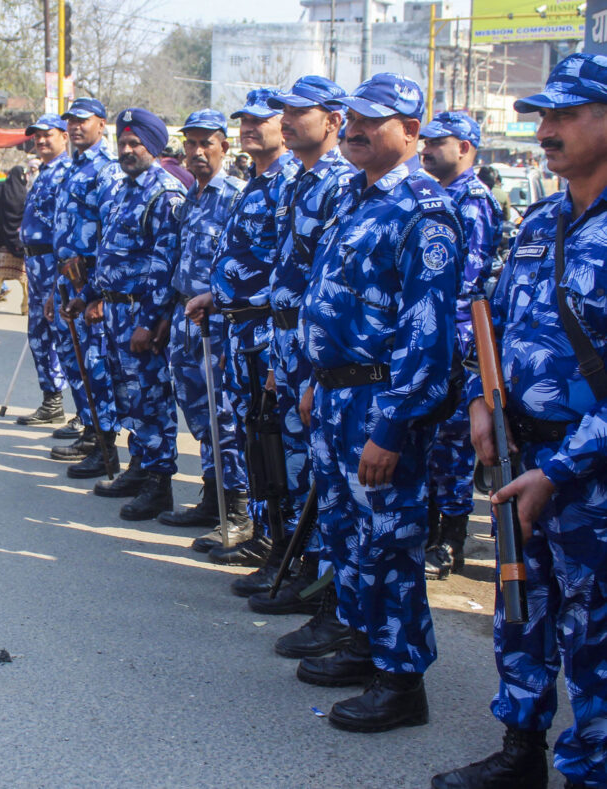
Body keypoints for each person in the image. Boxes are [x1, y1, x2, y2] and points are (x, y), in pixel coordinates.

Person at [431, 53, 607, 789]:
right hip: (517, 458)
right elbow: (490, 325)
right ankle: (518, 753)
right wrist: (478, 401)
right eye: (543, 116)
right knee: (520, 610)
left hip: (587, 476)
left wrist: (559, 469)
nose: (546, 130)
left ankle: (589, 771)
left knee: (595, 635)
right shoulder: (540, 219)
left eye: (566, 114)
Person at [294, 73, 460, 733]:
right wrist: (313, 377)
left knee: (389, 540)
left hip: (379, 400)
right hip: (336, 394)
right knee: (347, 532)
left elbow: (428, 337)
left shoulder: (425, 208)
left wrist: (391, 426)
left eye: (374, 121)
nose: (356, 130)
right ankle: (365, 642)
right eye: (352, 119)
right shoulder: (355, 198)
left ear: (413, 131)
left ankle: (401, 678)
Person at [246, 76, 355, 620]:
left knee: (317, 466)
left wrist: (312, 366)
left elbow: (328, 284)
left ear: (333, 121)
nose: (286, 121)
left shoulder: (341, 183)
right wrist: (277, 358)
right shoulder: (298, 180)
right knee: (287, 457)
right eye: (283, 112)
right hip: (285, 337)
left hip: (316, 346)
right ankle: (285, 555)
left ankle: (314, 572)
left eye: (298, 113)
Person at [185, 88, 299, 570]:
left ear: (283, 126)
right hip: (238, 328)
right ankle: (258, 530)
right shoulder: (255, 182)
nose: (250, 127)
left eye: (261, 120)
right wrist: (218, 295)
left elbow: (291, 267)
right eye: (244, 121)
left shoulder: (290, 182)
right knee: (253, 433)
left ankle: (282, 545)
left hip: (268, 330)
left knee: (274, 439)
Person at [64, 108, 185, 521]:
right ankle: (139, 467)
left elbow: (164, 265)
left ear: (154, 146)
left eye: (136, 144)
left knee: (151, 399)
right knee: (127, 396)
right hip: (113, 312)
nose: (128, 150)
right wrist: (87, 295)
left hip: (138, 315)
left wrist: (149, 321)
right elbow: (109, 256)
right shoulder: (123, 190)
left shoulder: (164, 194)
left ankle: (159, 482)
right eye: (124, 143)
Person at [157, 108, 251, 538]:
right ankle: (211, 498)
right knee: (197, 413)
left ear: (223, 147)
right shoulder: (190, 197)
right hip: (184, 318)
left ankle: (238, 510)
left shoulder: (235, 197)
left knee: (223, 416)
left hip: (217, 323)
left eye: (205, 144)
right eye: (190, 143)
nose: (195, 152)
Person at [419, 110, 504, 581]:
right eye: (425, 141)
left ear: (465, 148)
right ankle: (429, 532)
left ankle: (449, 543)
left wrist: (447, 347)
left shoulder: (471, 200)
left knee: (451, 448)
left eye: (438, 142)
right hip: (431, 338)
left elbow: (463, 285)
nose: (427, 149)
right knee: (429, 444)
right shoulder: (435, 195)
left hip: (456, 343)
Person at [50, 97, 122, 478]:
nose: (75, 127)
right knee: (75, 362)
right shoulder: (73, 166)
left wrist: (91, 290)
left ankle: (105, 444)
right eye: (71, 121)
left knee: (95, 364)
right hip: (66, 277)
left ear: (100, 124)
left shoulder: (106, 170)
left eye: (83, 120)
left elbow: (108, 233)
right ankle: (92, 431)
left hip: (88, 281)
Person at [15, 114, 72, 428]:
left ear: (64, 136)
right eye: (36, 136)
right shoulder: (44, 172)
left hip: (55, 265)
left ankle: (89, 417)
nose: (40, 141)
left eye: (47, 135)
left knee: (67, 338)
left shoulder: (66, 173)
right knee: (39, 336)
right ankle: (51, 401)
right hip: (36, 267)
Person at [0, 165, 29, 316]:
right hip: (19, 243)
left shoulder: (0, 191)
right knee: (25, 280)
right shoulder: (23, 194)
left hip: (2, 243)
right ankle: (25, 308)